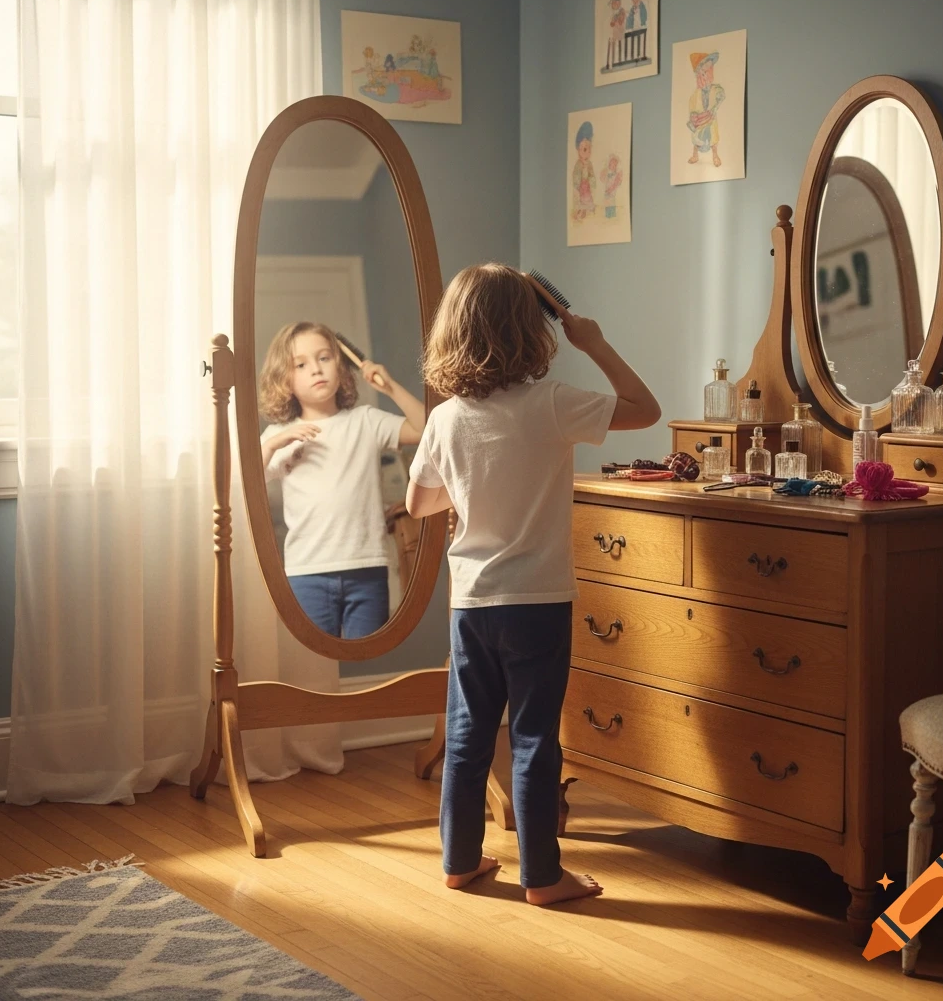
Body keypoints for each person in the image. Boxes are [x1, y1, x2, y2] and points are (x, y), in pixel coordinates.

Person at [406, 264, 661, 905]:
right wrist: (594, 342)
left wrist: (471, 488)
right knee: (533, 737)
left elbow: (418, 505)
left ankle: (460, 861)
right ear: (532, 332)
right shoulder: (553, 404)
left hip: (472, 604)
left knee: (466, 736)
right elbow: (646, 410)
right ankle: (542, 877)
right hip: (537, 602)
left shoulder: (445, 419)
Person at [259, 321, 425, 639]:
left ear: (341, 365)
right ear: (286, 379)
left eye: (324, 358)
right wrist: (272, 445)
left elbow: (427, 430)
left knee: (366, 661)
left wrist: (390, 387)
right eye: (301, 364)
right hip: (306, 572)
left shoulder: (365, 421)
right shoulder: (277, 436)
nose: (316, 370)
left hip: (367, 567)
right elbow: (244, 484)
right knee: (315, 671)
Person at [687, 51, 725, 167]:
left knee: (713, 135)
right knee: (697, 136)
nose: (709, 68)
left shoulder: (715, 88)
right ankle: (695, 155)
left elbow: (721, 95)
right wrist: (694, 116)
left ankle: (715, 155)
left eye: (710, 66)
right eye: (706, 65)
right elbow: (692, 105)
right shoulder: (695, 94)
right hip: (699, 116)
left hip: (711, 115)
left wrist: (716, 105)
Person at [571, 121, 596, 222]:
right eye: (585, 149)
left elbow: (592, 175)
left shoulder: (589, 164)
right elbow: (576, 177)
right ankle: (580, 212)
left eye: (589, 150)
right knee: (580, 202)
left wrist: (591, 182)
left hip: (587, 188)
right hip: (581, 188)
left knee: (588, 200)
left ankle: (587, 210)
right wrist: (579, 185)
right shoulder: (578, 165)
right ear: (578, 149)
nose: (588, 153)